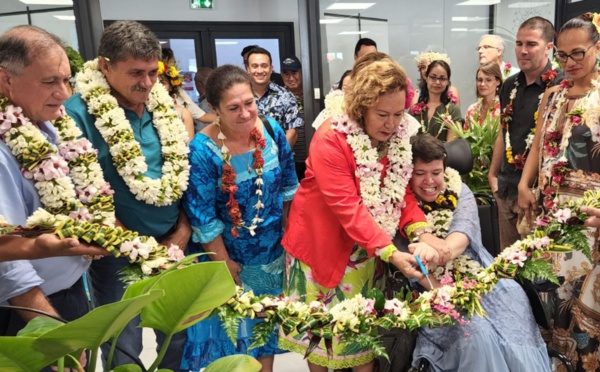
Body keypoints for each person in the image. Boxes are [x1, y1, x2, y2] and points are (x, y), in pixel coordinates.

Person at [279, 57, 440, 372]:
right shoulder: (330, 137)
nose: (391, 124)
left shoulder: (396, 136)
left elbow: (401, 192)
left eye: (398, 114)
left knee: (361, 346)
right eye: (382, 114)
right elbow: (347, 207)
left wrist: (421, 232)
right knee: (321, 343)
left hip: (369, 251)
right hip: (322, 246)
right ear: (360, 107)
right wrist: (392, 253)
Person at [64, 20, 192, 371]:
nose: (148, 83)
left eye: (154, 72)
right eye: (137, 72)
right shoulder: (77, 114)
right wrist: (133, 245)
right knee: (125, 340)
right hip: (117, 251)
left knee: (177, 332)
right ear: (105, 66)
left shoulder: (163, 106)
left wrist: (182, 231)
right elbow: (84, 193)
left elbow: (185, 177)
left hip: (174, 243)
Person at [0, 25, 106, 371]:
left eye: (67, 80)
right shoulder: (4, 148)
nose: (64, 93)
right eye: (50, 82)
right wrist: (48, 326)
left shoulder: (49, 125)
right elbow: (7, 254)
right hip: (28, 309)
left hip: (74, 287)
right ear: (5, 80)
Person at [181, 65, 299, 371]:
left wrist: (290, 237)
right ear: (213, 108)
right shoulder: (202, 151)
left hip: (272, 254)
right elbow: (202, 215)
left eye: (249, 103)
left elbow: (289, 187)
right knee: (232, 339)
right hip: (228, 258)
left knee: (264, 332)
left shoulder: (271, 130)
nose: (246, 113)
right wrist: (223, 264)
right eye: (234, 108)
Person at [406, 134, 551, 372]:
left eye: (436, 172)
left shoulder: (459, 190)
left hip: (477, 272)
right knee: (478, 334)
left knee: (514, 300)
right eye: (420, 174)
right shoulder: (399, 204)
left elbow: (460, 238)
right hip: (431, 285)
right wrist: (445, 291)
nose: (429, 181)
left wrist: (439, 250)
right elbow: (412, 267)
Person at [517, 12, 600, 371]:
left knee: (582, 300)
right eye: (563, 56)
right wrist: (523, 183)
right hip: (550, 215)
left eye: (578, 53)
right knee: (549, 293)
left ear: (597, 48)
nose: (570, 63)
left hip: (591, 219)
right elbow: (538, 146)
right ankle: (553, 362)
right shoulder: (552, 94)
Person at [488, 17, 565, 251]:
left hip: (537, 196)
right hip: (506, 188)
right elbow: (504, 132)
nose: (523, 51)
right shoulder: (510, 85)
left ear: (549, 47)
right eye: (519, 44)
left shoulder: (562, 86)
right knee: (508, 267)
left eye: (531, 44)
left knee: (537, 270)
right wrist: (492, 176)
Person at [246, 47, 303, 147]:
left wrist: (276, 159)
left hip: (277, 159)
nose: (259, 71)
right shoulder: (239, 96)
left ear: (271, 69)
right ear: (248, 69)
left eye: (264, 66)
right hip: (244, 158)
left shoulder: (285, 96)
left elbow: (292, 133)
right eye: (255, 66)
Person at [162, 48, 216, 128]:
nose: (175, 69)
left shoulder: (179, 92)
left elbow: (203, 117)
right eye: (172, 64)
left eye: (174, 64)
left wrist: (229, 117)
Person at [410, 60, 461, 142]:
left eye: (442, 78)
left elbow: (451, 144)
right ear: (426, 78)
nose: (437, 82)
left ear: (448, 81)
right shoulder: (416, 109)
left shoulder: (453, 109)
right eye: (433, 77)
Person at [281, 55, 308, 181]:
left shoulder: (312, 97)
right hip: (290, 159)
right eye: (286, 74)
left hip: (311, 158)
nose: (291, 78)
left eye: (294, 73)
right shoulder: (279, 99)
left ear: (302, 73)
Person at [157, 58, 195, 140]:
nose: (158, 87)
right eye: (154, 83)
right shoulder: (141, 111)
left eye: (162, 83)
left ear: (171, 87)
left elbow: (189, 147)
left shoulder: (183, 113)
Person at [464, 62, 502, 128]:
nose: (482, 84)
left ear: (498, 81)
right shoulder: (472, 109)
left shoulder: (503, 109)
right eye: (480, 80)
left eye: (488, 80)